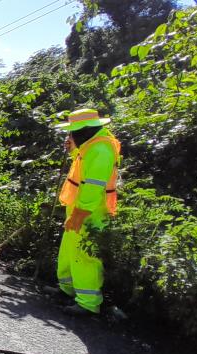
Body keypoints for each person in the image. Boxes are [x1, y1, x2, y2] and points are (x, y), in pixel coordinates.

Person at [53, 109, 121, 315]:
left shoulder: (101, 150)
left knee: (84, 255)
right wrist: (73, 150)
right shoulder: (91, 145)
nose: (70, 136)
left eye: (73, 133)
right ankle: (67, 289)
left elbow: (93, 185)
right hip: (78, 209)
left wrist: (81, 213)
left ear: (85, 130)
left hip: (90, 212)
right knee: (69, 251)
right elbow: (83, 169)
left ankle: (88, 303)